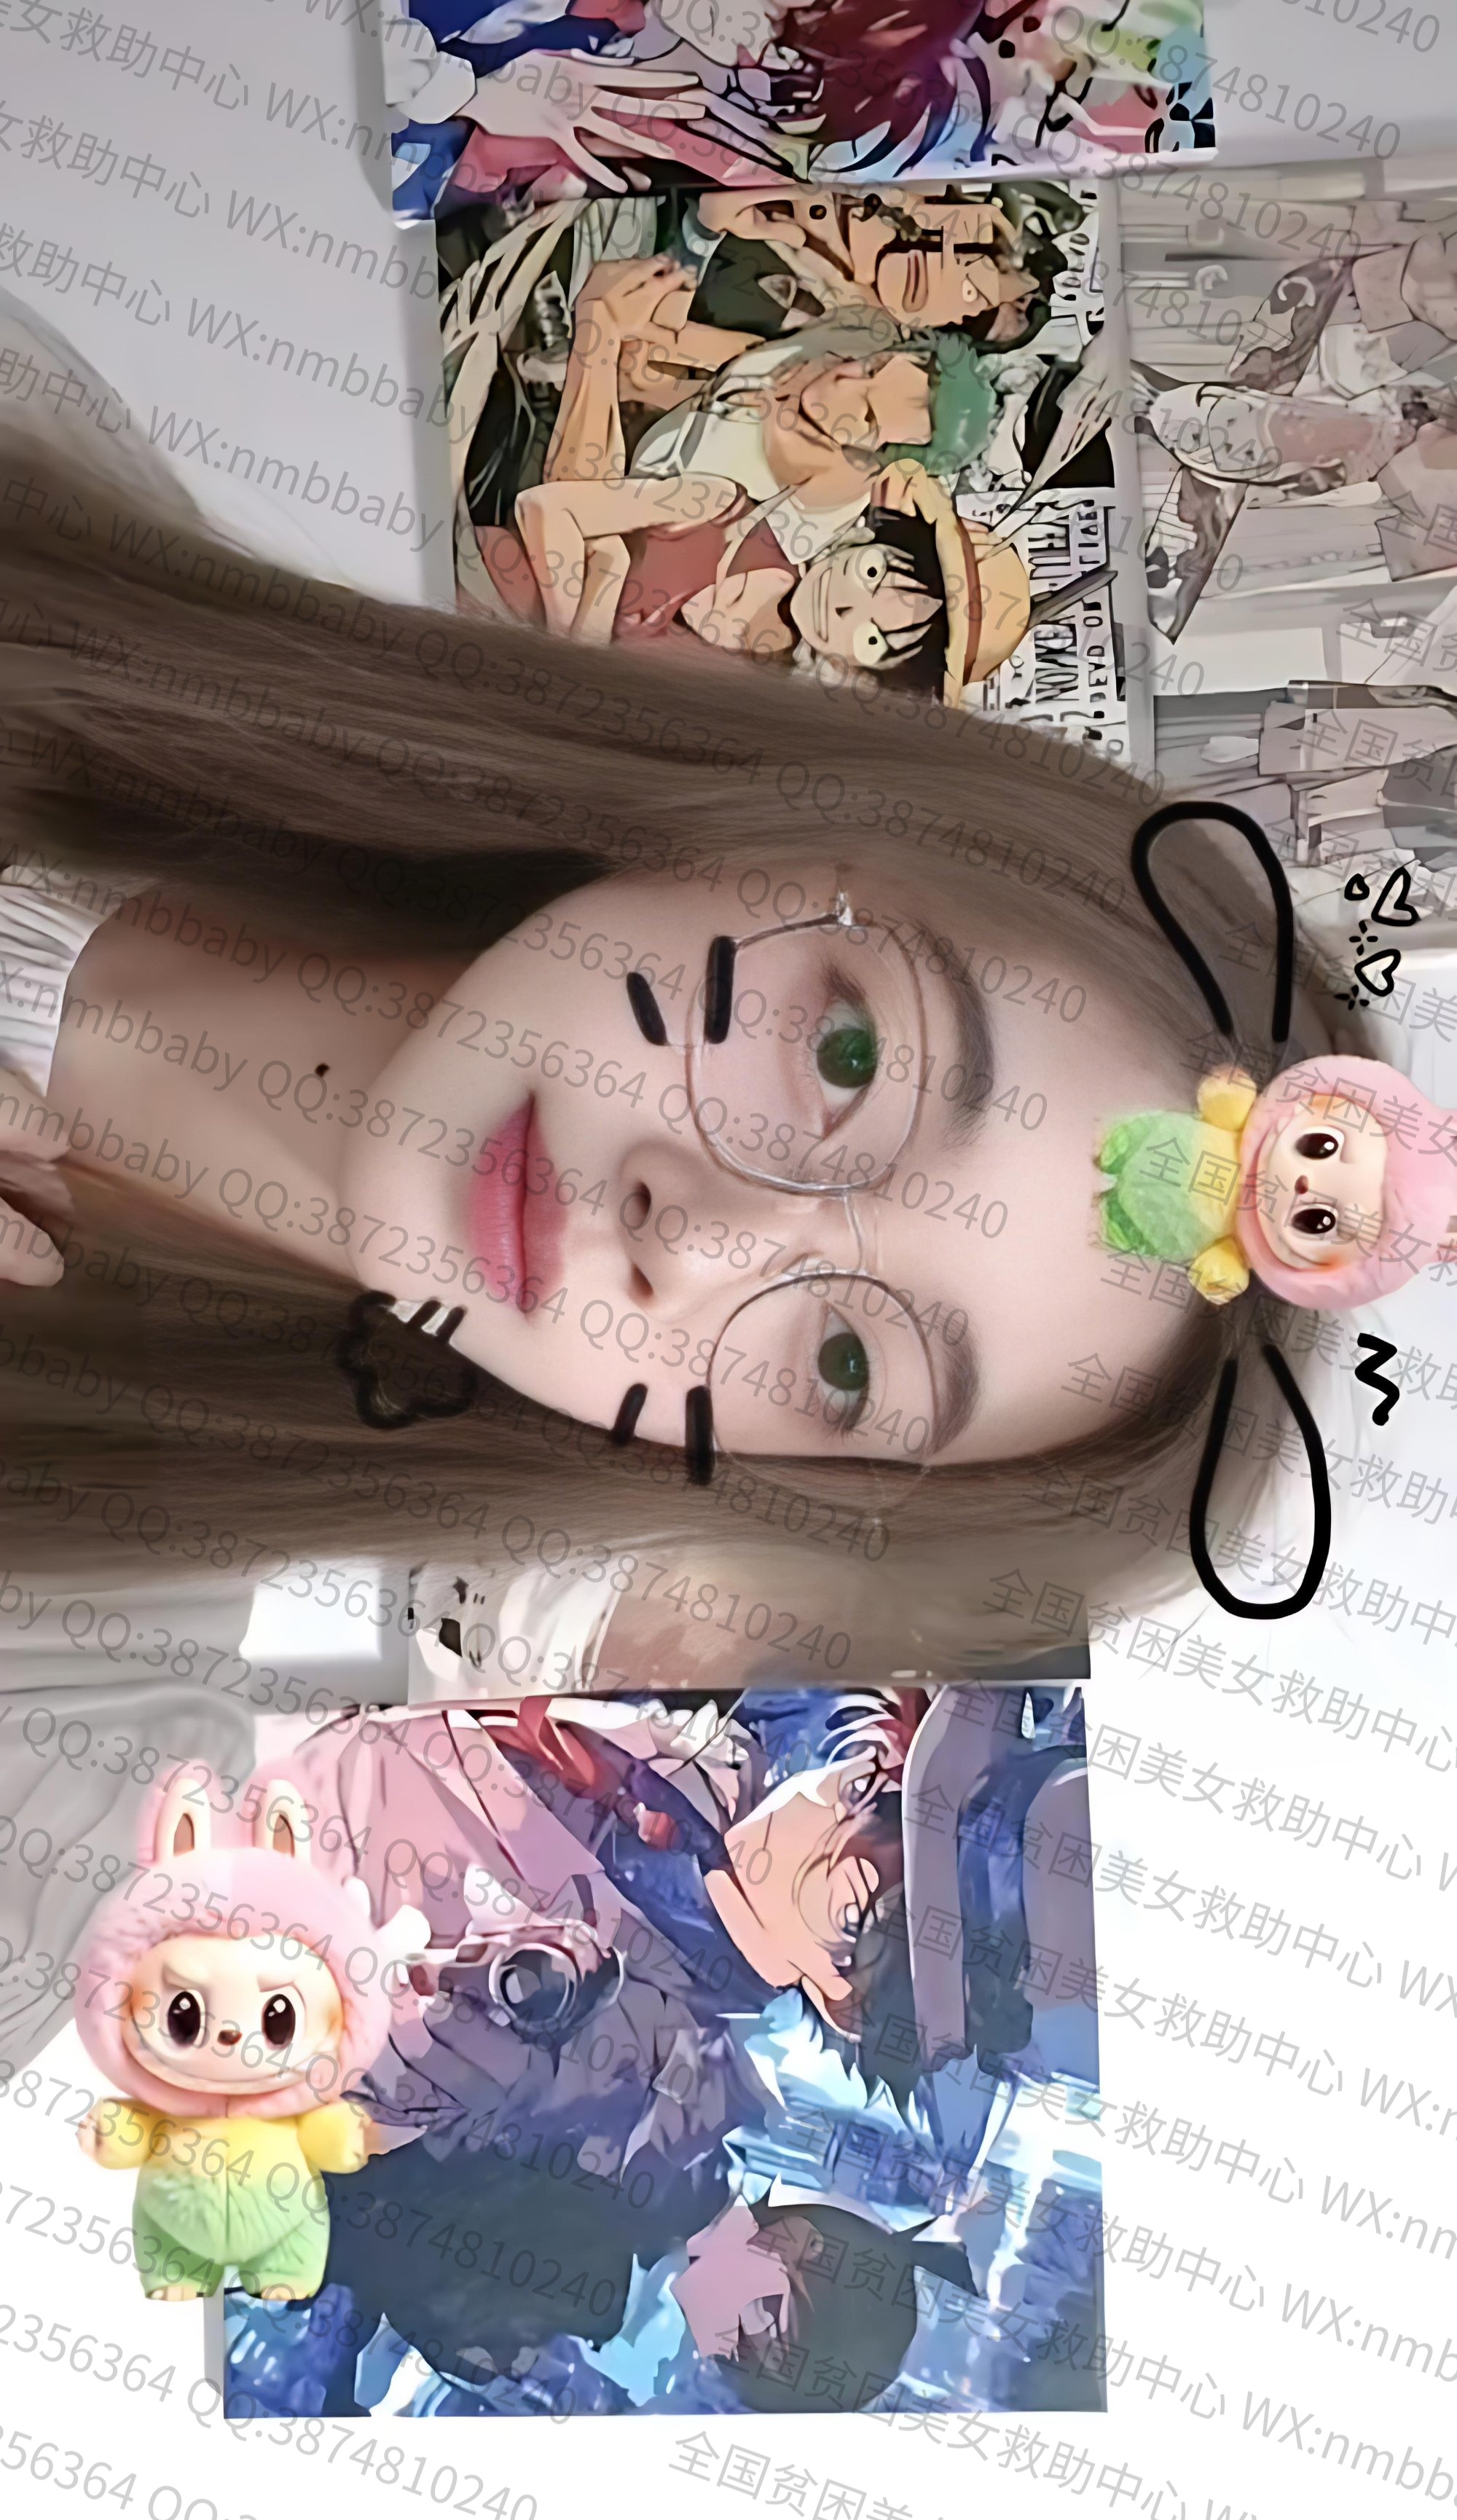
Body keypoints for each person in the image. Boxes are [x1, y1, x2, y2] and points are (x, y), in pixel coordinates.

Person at [0, 340, 1369, 1660]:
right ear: (800, 827)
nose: (698, 1236)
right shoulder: (36, 483)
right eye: (848, 1056)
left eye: (845, 1365)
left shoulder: (79, 1648)